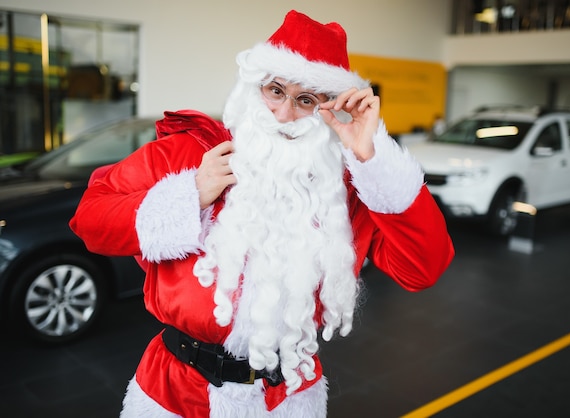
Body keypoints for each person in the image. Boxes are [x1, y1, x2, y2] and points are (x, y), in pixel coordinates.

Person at [70, 10, 454, 418]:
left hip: (287, 399)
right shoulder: (190, 154)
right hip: (174, 393)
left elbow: (422, 268)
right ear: (254, 88)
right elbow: (91, 220)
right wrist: (191, 194)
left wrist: (373, 157)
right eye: (275, 90)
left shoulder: (343, 191)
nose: (284, 114)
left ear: (329, 110)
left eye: (305, 99)